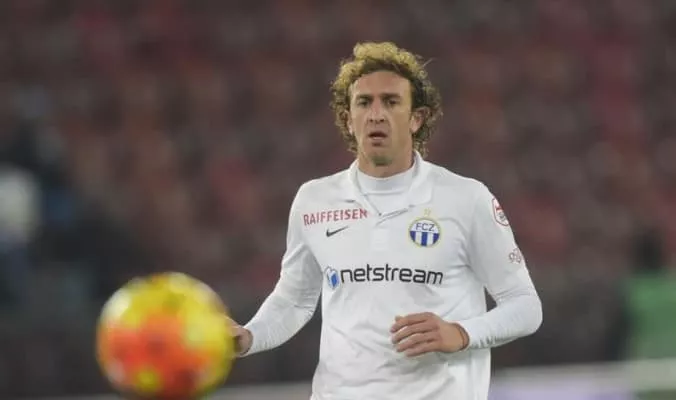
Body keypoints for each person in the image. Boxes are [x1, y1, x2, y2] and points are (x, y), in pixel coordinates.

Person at [231, 41, 543, 400]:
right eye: (364, 102)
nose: (376, 114)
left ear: (416, 118)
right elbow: (295, 300)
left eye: (391, 102)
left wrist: (461, 333)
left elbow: (525, 306)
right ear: (348, 119)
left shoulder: (466, 199)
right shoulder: (314, 200)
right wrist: (249, 336)